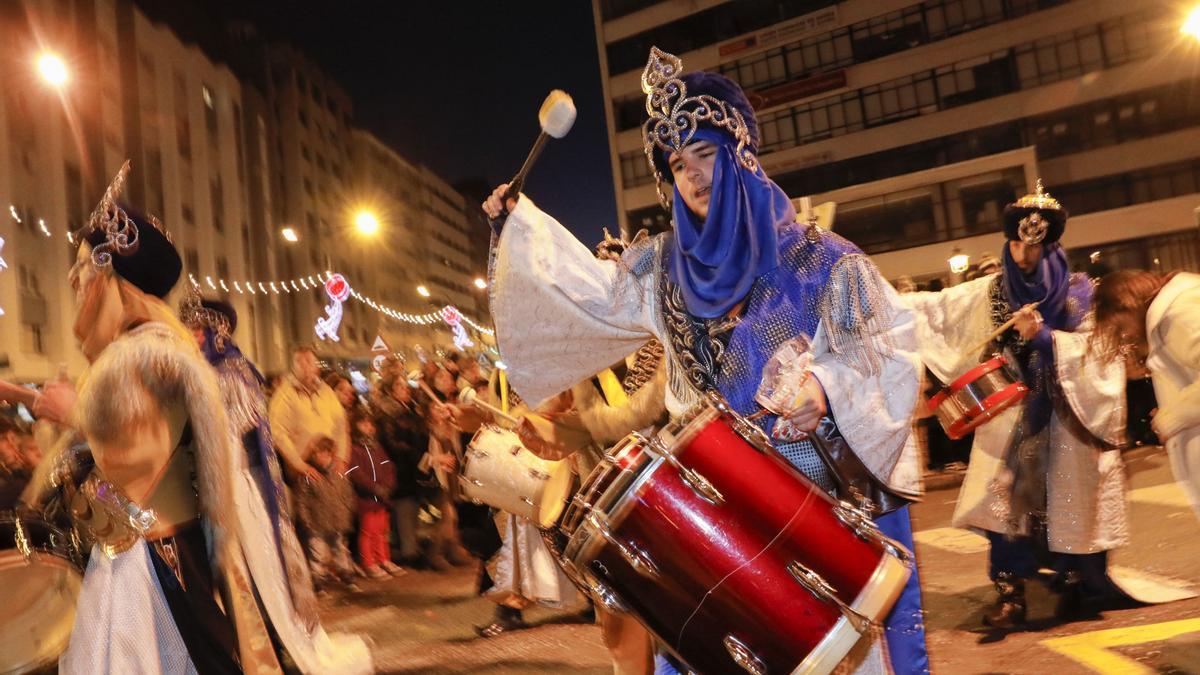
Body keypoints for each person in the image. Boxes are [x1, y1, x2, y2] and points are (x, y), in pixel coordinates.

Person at [484, 47, 927, 674]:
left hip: (813, 516)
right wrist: (518, 230)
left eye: (707, 155)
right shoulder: (660, 268)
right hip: (711, 525)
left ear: (741, 156)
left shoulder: (823, 259)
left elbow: (890, 351)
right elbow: (584, 295)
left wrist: (827, 388)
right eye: (677, 163)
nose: (693, 176)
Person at [30, 163, 370, 672]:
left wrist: (73, 417)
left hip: (153, 565)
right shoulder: (131, 353)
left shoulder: (148, 353)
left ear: (109, 276)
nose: (74, 278)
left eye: (84, 265)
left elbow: (132, 468)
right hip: (133, 557)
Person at [903, 180, 1130, 628]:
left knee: (1071, 502)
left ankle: (1075, 583)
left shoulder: (1081, 290)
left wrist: (1045, 338)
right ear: (1008, 244)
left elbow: (1100, 351)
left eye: (1038, 248)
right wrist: (868, 295)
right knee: (1004, 506)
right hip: (1008, 416)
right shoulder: (988, 291)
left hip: (1069, 417)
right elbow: (930, 310)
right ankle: (1011, 593)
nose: (1027, 257)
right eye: (1019, 246)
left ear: (1052, 245)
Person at [178, 290, 370, 670]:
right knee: (231, 577)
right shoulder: (200, 371)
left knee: (256, 571)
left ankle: (273, 645)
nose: (191, 337)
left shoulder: (232, 371)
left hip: (238, 489)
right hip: (214, 489)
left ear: (215, 330)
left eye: (197, 330)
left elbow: (228, 438)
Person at [1093, 269, 1200, 519]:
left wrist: (1171, 418)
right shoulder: (1173, 315)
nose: (1126, 335)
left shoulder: (1179, 315)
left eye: (1120, 327)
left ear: (1126, 306)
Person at [269, 345, 350, 482]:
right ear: (294, 367)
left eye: (309, 361)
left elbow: (340, 426)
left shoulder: (327, 392)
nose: (305, 366)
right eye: (300, 362)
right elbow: (278, 434)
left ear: (316, 367)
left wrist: (341, 458)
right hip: (305, 470)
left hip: (331, 465)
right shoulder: (284, 395)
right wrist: (300, 465)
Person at [373, 373, 428, 568]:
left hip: (410, 467)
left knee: (410, 508)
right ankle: (408, 551)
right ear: (390, 391)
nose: (405, 389)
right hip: (400, 468)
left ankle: (407, 547)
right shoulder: (388, 414)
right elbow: (390, 443)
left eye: (405, 386)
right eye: (399, 386)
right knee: (404, 508)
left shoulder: (409, 410)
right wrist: (411, 452)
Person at [296, 435, 360, 592]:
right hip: (317, 522)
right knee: (318, 553)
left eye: (321, 453)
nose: (317, 456)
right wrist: (306, 521)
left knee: (340, 550)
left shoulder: (339, 472)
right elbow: (302, 501)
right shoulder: (308, 475)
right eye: (315, 453)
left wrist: (348, 511)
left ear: (329, 454)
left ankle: (347, 577)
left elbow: (347, 494)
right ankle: (319, 581)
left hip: (337, 519)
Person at [347, 410, 405, 579]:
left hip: (382, 498)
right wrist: (374, 487)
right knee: (368, 531)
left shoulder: (377, 447)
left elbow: (388, 465)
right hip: (366, 498)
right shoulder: (355, 449)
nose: (368, 427)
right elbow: (356, 473)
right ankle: (369, 562)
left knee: (381, 530)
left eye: (370, 424)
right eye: (363, 423)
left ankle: (383, 559)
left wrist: (388, 484)